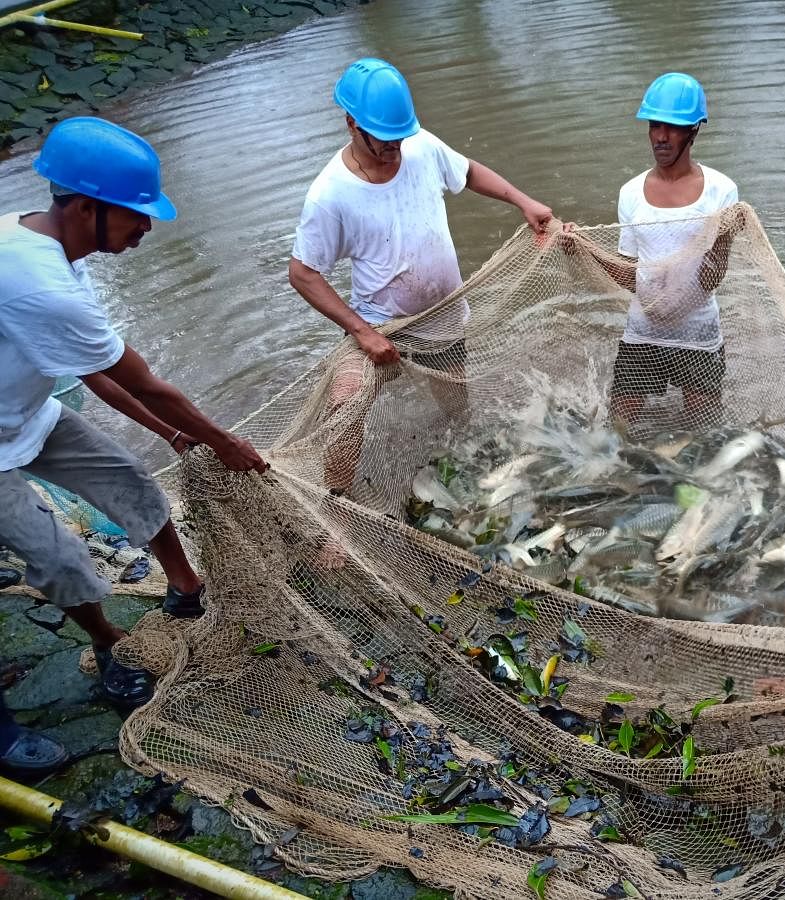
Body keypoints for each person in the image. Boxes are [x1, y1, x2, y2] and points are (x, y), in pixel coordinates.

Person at [0, 116, 268, 777]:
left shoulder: (51, 246)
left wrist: (173, 435)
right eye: (135, 217)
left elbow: (96, 370)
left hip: (26, 413)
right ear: (85, 207)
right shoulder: (37, 282)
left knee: (131, 482)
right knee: (57, 555)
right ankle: (105, 644)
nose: (145, 231)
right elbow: (144, 380)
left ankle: (184, 584)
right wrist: (221, 440)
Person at [288, 58, 553, 502]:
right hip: (379, 323)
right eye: (385, 138)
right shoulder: (330, 195)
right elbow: (303, 274)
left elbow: (466, 172)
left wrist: (523, 202)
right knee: (345, 403)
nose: (396, 146)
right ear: (352, 123)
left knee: (456, 408)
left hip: (443, 315)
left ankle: (459, 465)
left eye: (401, 136)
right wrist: (363, 333)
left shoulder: (421, 145)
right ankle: (339, 502)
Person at [568, 72, 740, 429]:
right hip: (643, 333)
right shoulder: (631, 193)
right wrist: (584, 249)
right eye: (654, 126)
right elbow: (631, 276)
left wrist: (723, 239)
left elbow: (709, 281)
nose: (660, 137)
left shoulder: (720, 192)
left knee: (706, 437)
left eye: (672, 127)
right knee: (615, 434)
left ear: (694, 131)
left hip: (698, 335)